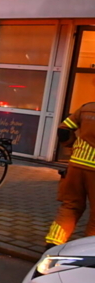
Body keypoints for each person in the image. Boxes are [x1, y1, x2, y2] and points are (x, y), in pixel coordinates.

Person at [46, 101, 95, 247]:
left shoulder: (87, 108)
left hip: (77, 165)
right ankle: (88, 250)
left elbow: (64, 131)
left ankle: (53, 243)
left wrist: (74, 147)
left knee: (70, 206)